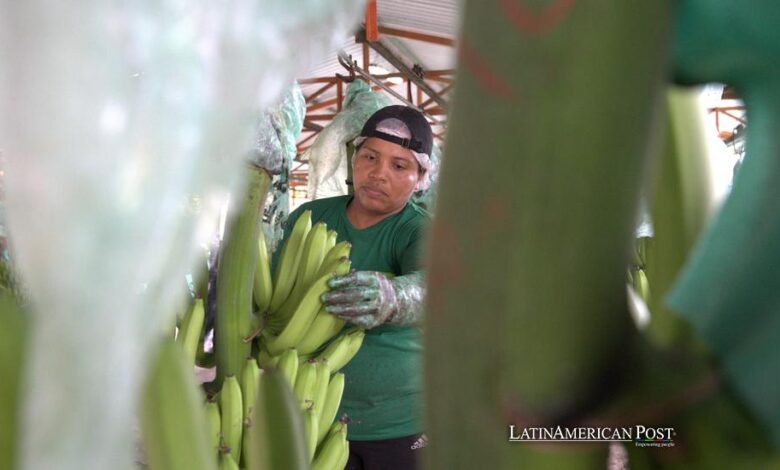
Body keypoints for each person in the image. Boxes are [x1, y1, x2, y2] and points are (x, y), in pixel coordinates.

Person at [276, 104, 435, 469]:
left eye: (399, 165)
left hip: (399, 422)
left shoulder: (420, 231)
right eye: (369, 157)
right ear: (354, 159)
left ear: (421, 177)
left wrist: (393, 297)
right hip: (311, 407)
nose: (378, 173)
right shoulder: (308, 218)